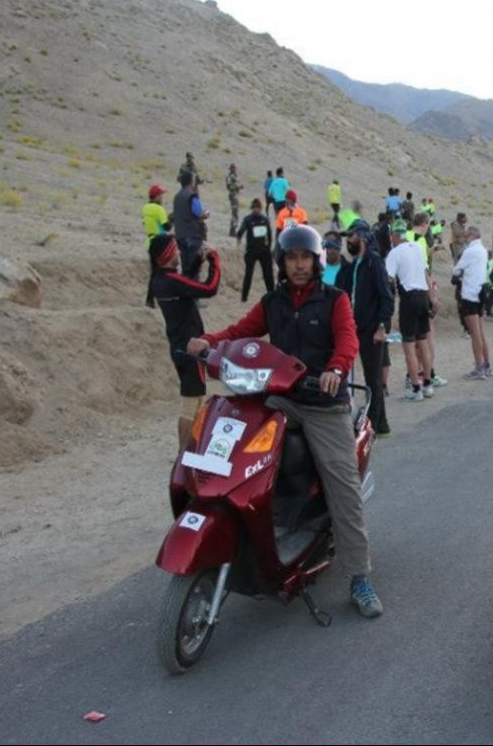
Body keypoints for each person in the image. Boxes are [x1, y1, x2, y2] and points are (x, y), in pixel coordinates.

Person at [187, 225, 383, 618]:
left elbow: (348, 340)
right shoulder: (273, 301)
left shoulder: (335, 300)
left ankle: (359, 577)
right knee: (235, 444)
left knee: (342, 485)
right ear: (282, 262)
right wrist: (209, 341)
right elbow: (241, 332)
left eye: (305, 258)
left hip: (323, 402)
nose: (298, 265)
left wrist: (336, 369)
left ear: (316, 262)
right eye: (291, 258)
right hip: (280, 397)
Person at [149, 235, 220, 450]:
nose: (179, 253)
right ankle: (184, 453)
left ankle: (193, 447)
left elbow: (186, 283)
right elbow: (209, 288)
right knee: (191, 402)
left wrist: (198, 260)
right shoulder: (171, 281)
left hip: (178, 347)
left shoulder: (160, 281)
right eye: (176, 250)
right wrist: (215, 259)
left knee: (196, 398)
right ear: (169, 255)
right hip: (191, 350)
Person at [337, 221, 394, 436]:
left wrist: (381, 326)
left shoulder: (374, 262)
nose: (348, 241)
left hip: (371, 330)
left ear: (361, 237)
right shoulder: (354, 265)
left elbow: (386, 298)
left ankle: (379, 424)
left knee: (373, 378)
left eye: (351, 237)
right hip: (353, 329)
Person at [385, 221, 436, 401]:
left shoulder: (394, 252)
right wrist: (432, 299)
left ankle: (416, 388)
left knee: (409, 346)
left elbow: (388, 279)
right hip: (423, 296)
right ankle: (428, 384)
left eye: (392, 236)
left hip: (409, 298)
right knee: (423, 342)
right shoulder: (417, 248)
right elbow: (425, 273)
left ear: (395, 235)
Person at [453, 225, 491, 380]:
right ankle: (486, 365)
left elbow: (456, 270)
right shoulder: (483, 250)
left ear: (471, 236)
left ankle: (479, 367)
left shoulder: (469, 251)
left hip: (469, 295)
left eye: (466, 235)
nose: (465, 238)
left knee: (474, 334)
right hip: (480, 292)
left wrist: (459, 271)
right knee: (481, 333)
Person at [171, 170, 209, 279]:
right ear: (190, 182)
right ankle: (193, 295)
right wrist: (207, 213)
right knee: (194, 271)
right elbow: (200, 213)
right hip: (193, 236)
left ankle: (185, 294)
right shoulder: (192, 196)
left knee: (185, 271)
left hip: (180, 236)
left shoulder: (177, 197)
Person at [236, 197, 274, 302]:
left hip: (264, 250)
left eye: (258, 208)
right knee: (248, 274)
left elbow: (269, 235)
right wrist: (239, 237)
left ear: (260, 209)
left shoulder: (264, 219)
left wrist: (268, 247)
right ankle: (244, 297)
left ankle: (272, 294)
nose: (256, 210)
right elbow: (242, 229)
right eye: (254, 208)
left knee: (268, 274)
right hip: (252, 250)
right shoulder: (248, 219)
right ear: (252, 208)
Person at [142, 183, 172, 307]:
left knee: (154, 272)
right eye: (161, 195)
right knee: (164, 271)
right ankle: (161, 298)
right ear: (156, 196)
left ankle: (150, 299)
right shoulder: (159, 209)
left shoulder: (145, 208)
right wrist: (172, 219)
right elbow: (167, 227)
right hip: (160, 241)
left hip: (150, 241)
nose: (162, 197)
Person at [225, 163, 243, 239]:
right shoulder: (230, 176)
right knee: (234, 213)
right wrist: (238, 186)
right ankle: (232, 230)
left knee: (235, 213)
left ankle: (233, 229)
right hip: (233, 195)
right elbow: (229, 186)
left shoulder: (234, 176)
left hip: (235, 194)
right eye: (234, 168)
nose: (235, 169)